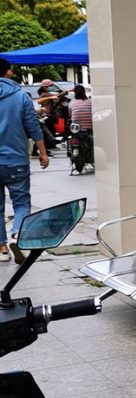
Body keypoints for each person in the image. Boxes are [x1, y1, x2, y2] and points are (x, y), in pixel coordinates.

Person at [0, 58, 49, 262]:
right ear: (9, 73)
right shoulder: (21, 96)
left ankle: (2, 249)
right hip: (16, 160)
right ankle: (18, 233)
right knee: (21, 203)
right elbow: (33, 127)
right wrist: (43, 153)